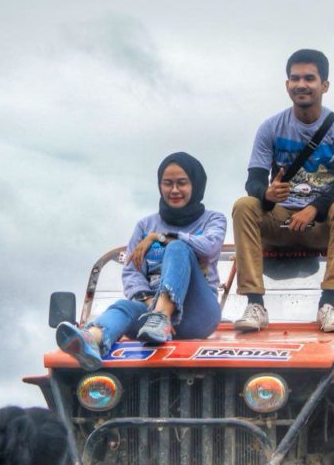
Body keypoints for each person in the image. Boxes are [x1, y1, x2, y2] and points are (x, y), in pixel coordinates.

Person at [55, 152, 226, 370]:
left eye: (182, 183)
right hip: (149, 314)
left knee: (178, 248)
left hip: (198, 314)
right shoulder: (145, 225)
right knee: (123, 306)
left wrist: (161, 238)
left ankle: (161, 317)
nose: (174, 190)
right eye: (168, 183)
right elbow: (131, 272)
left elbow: (209, 247)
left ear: (196, 185)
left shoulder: (213, 219)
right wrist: (145, 299)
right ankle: (90, 340)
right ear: (159, 186)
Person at [231, 48, 334, 334]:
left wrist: (313, 209)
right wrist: (266, 194)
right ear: (287, 85)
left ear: (324, 85)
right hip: (279, 220)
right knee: (244, 205)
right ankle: (255, 304)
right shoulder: (270, 127)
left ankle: (328, 303)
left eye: (310, 78)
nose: (301, 84)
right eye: (295, 78)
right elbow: (253, 181)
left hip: (319, 225)